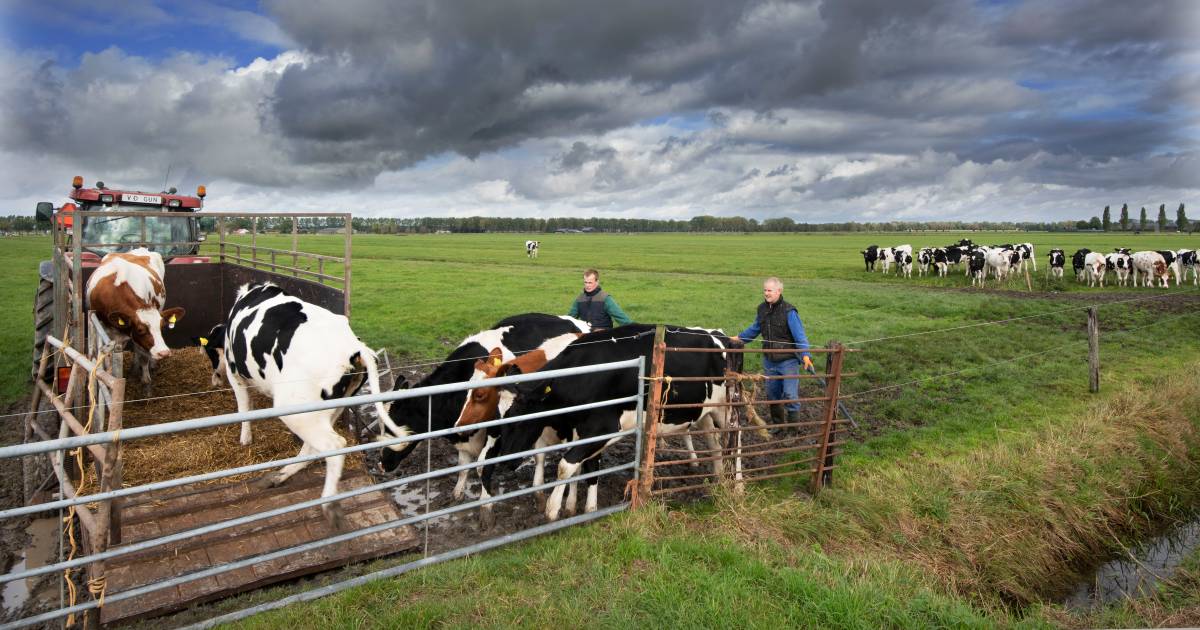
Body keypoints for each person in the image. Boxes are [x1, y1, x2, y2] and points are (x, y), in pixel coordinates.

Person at [736, 277, 812, 424]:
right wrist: (739, 338)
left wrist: (805, 355)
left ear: (779, 291)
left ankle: (792, 429)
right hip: (769, 361)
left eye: (769, 290)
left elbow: (800, 336)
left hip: (788, 360)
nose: (766, 293)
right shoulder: (762, 309)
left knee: (790, 394)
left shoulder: (789, 311)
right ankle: (778, 425)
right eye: (765, 290)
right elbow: (755, 329)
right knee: (772, 394)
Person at [568, 268, 632, 331]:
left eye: (590, 283)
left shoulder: (605, 298)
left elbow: (621, 318)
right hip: (585, 334)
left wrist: (635, 328)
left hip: (603, 334)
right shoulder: (579, 299)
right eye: (585, 282)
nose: (587, 285)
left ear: (597, 282)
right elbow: (570, 319)